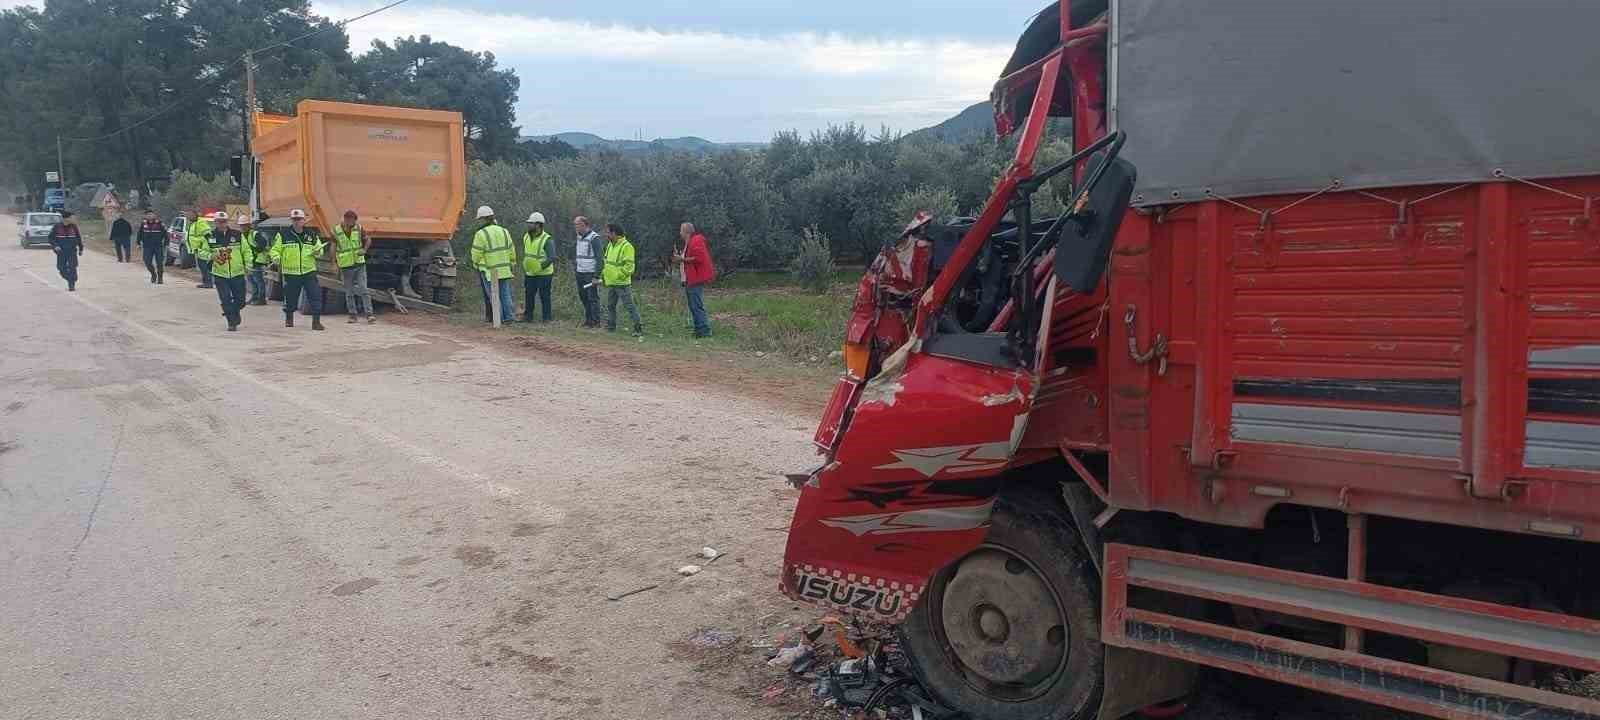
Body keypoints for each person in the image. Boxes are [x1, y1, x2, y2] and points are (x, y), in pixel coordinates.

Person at [269, 209, 326, 330]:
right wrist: (276, 258)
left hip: (309, 272)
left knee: (315, 296)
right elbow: (274, 250)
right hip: (291, 273)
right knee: (290, 298)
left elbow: (320, 249)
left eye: (299, 219)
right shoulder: (283, 234)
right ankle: (289, 318)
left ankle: (316, 322)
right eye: (294, 219)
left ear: (304, 220)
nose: (297, 222)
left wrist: (318, 252)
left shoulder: (311, 234)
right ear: (291, 221)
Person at [199, 213, 248, 331]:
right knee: (225, 299)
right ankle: (231, 322)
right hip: (220, 274)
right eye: (219, 221)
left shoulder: (237, 235)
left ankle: (234, 311)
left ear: (227, 222)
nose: (222, 224)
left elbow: (246, 251)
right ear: (215, 222)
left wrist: (248, 265)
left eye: (224, 221)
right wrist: (211, 256)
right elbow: (201, 252)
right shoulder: (209, 236)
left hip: (237, 273)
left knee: (241, 301)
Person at [470, 206, 516, 325]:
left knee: (494, 295)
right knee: (505, 294)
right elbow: (511, 249)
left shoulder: (481, 234)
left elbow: (476, 253)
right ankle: (509, 317)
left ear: (483, 219)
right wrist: (512, 263)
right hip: (504, 269)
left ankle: (498, 319)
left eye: (479, 219)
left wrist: (475, 264)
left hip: (489, 270)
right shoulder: (504, 231)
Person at [672, 222, 715, 338]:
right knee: (693, 306)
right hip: (689, 279)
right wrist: (681, 258)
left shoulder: (696, 241)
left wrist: (682, 259)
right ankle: (698, 330)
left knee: (696, 305)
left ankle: (704, 331)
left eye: (681, 230)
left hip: (695, 279)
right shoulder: (689, 243)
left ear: (686, 231)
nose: (680, 233)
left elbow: (699, 258)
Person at [600, 223, 641, 337]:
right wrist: (604, 275)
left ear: (614, 233)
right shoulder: (610, 245)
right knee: (610, 305)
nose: (606, 234)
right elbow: (606, 262)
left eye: (608, 232)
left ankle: (638, 328)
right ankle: (611, 326)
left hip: (622, 284)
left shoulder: (627, 246)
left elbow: (629, 267)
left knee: (629, 306)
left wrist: (618, 276)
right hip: (611, 282)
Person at [333, 209, 374, 324]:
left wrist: (364, 250)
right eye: (348, 220)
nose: (350, 223)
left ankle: (369, 314)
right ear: (345, 219)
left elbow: (368, 240)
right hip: (346, 266)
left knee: (363, 289)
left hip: (359, 264)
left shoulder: (359, 228)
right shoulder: (337, 230)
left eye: (353, 221)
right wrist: (333, 263)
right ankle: (352, 315)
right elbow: (333, 246)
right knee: (349, 292)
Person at [520, 212, 554, 323]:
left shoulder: (547, 239)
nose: (529, 225)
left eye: (531, 223)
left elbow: (552, 257)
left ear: (538, 225)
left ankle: (547, 319)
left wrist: (540, 267)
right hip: (530, 272)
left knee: (545, 296)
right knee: (529, 295)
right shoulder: (526, 236)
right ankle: (528, 317)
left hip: (544, 274)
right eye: (529, 223)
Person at [573, 216, 604, 327]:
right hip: (580, 272)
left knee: (592, 298)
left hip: (590, 273)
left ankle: (595, 322)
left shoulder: (594, 238)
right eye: (575, 225)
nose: (575, 227)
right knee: (583, 297)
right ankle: (588, 320)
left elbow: (600, 258)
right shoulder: (579, 237)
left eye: (577, 225)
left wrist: (596, 276)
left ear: (584, 225)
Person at [48, 210, 83, 291]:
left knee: (72, 267)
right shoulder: (57, 227)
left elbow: (78, 238)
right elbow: (51, 238)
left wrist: (81, 249)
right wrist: (55, 246)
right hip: (61, 251)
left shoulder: (74, 226)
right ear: (66, 218)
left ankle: (71, 285)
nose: (73, 219)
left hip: (72, 251)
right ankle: (71, 279)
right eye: (72, 218)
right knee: (61, 268)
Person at [241, 214, 269, 305]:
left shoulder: (254, 234)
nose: (243, 227)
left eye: (244, 225)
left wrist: (256, 250)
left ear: (248, 225)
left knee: (258, 280)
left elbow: (263, 243)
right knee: (251, 280)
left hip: (257, 260)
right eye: (241, 225)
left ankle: (261, 299)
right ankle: (254, 297)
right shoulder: (242, 235)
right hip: (249, 261)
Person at [136, 208, 167, 284]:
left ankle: (160, 278)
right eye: (148, 215)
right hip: (147, 246)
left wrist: (166, 244)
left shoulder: (160, 223)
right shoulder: (143, 224)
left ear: (154, 215)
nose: (149, 216)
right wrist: (138, 243)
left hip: (158, 246)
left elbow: (166, 235)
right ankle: (153, 274)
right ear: (145, 216)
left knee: (159, 263)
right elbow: (139, 234)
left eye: (151, 214)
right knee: (147, 261)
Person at [185, 209, 214, 289]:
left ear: (196, 215)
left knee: (203, 266)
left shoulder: (200, 222)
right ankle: (206, 282)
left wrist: (211, 246)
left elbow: (208, 234)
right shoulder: (192, 223)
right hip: (198, 248)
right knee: (202, 266)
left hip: (203, 248)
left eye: (191, 215)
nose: (189, 216)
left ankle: (208, 283)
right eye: (188, 215)